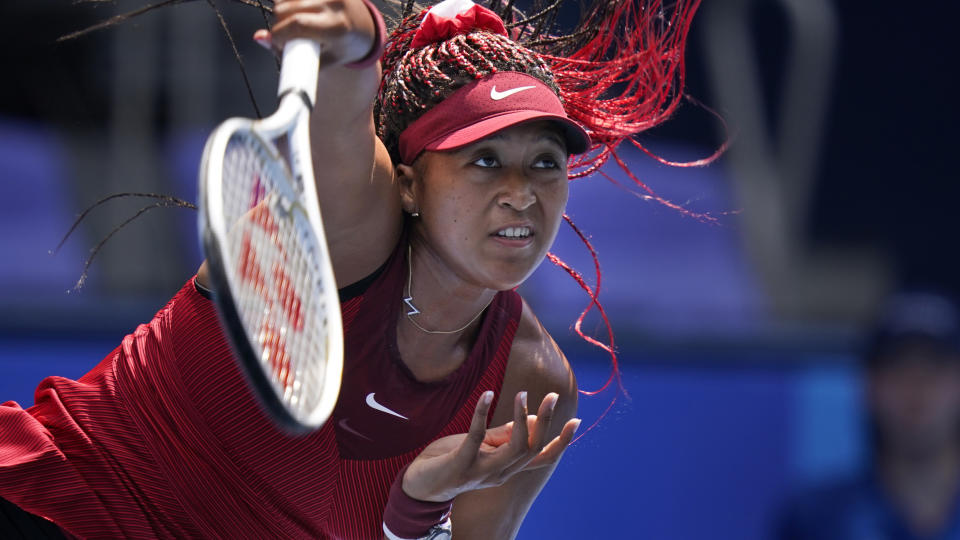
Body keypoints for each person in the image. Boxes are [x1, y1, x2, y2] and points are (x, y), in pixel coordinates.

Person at [0, 0, 703, 538]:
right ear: (405, 184)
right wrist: (357, 33)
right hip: (42, 504)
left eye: (544, 164)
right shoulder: (346, 238)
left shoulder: (533, 386)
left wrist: (416, 507)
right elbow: (338, 109)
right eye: (482, 160)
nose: (520, 191)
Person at [777, 291, 960, 540]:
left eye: (935, 370)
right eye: (899, 371)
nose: (917, 389)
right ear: (869, 388)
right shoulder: (814, 518)